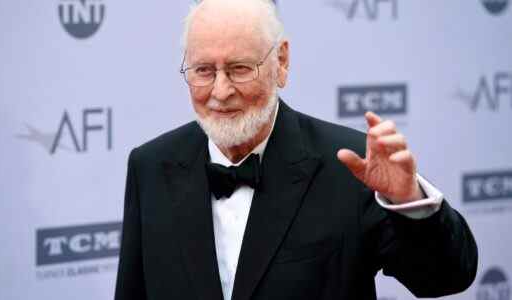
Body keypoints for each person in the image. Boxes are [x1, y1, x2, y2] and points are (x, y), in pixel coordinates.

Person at [114, 0, 478, 299]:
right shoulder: (149, 166)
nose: (220, 91)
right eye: (204, 70)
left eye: (240, 69)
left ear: (281, 62)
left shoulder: (350, 167)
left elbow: (445, 277)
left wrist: (407, 200)